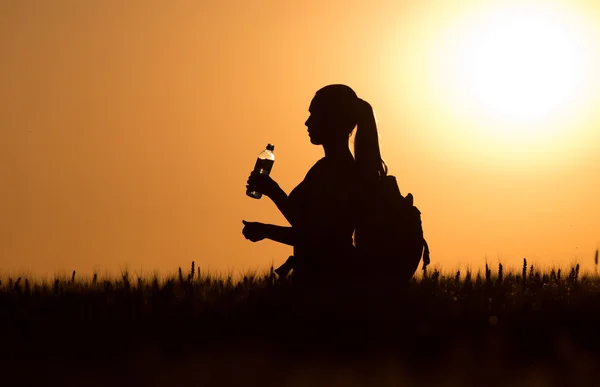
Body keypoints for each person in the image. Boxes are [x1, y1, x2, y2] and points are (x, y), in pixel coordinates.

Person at [241, 84, 387, 288]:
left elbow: (317, 237)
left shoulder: (337, 171)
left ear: (332, 120)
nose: (307, 122)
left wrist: (267, 226)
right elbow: (304, 223)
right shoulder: (328, 168)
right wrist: (270, 191)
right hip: (324, 280)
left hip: (329, 286)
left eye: (314, 115)